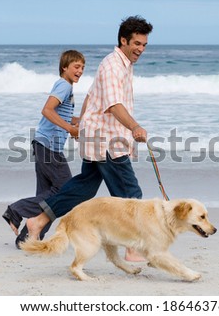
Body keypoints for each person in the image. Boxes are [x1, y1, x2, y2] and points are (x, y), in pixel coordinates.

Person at [24, 15, 153, 262]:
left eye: (144, 45)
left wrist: (82, 125)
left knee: (84, 186)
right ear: (123, 40)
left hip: (97, 136)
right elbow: (114, 105)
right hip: (106, 140)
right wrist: (135, 126)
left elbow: (92, 97)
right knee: (129, 192)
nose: (140, 49)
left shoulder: (119, 64)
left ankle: (38, 221)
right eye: (136, 43)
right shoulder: (114, 66)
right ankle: (133, 248)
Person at [2, 50, 85, 247]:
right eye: (76, 66)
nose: (80, 71)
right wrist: (70, 129)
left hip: (43, 145)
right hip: (49, 146)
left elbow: (63, 116)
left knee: (46, 196)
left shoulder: (66, 88)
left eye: (82, 67)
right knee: (65, 190)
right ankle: (16, 210)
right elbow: (47, 110)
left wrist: (82, 121)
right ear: (64, 67)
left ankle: (26, 239)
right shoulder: (64, 86)